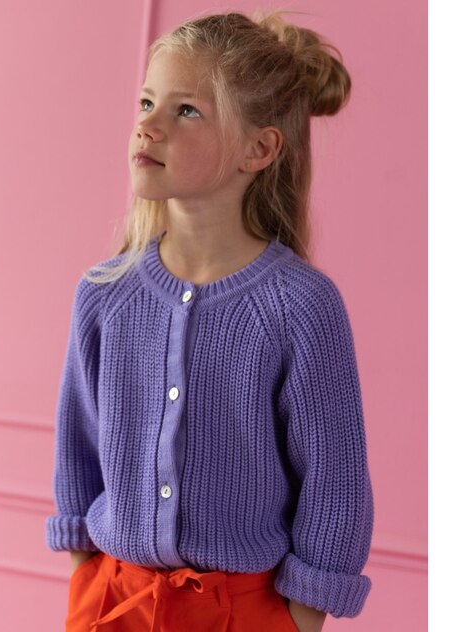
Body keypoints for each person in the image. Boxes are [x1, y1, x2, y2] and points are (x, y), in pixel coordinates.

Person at [45, 10, 374, 632]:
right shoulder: (104, 294)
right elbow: (78, 447)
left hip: (244, 612)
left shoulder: (301, 306)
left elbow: (334, 480)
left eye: (186, 111)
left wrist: (299, 620)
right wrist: (86, 578)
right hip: (115, 601)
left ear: (259, 149)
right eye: (147, 102)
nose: (148, 126)